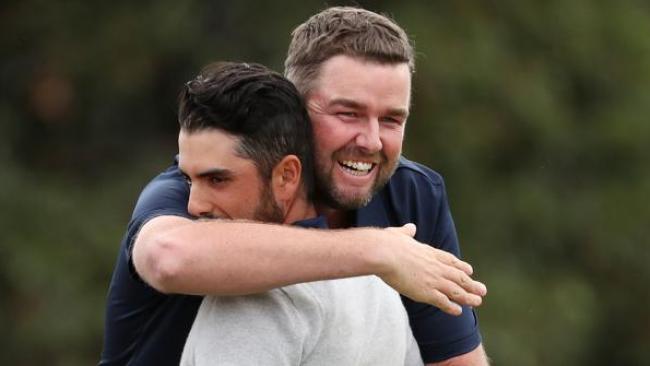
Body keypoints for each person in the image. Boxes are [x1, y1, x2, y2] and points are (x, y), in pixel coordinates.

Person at [99, 6, 488, 366]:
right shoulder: (206, 182)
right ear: (295, 110)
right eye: (347, 113)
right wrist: (377, 249)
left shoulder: (413, 195)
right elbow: (169, 258)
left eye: (391, 120)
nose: (371, 141)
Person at [176, 61, 423, 365]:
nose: (193, 205)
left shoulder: (252, 298)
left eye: (217, 180)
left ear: (287, 176)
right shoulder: (379, 288)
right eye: (188, 180)